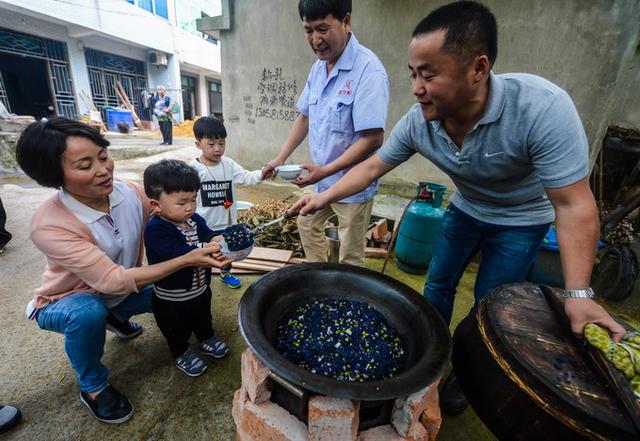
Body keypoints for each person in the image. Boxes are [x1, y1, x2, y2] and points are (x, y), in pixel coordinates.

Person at [290, 1, 626, 414]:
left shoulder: (542, 109)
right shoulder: (421, 121)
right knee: (437, 287)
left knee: (490, 305)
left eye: (429, 75)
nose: (416, 88)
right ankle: (430, 359)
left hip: (521, 220)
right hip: (466, 209)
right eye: (414, 73)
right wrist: (322, 196)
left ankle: (467, 374)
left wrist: (577, 293)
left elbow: (574, 205)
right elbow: (375, 164)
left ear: (478, 69)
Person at [15, 117, 231, 424]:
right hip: (67, 300)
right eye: (85, 165)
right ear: (55, 175)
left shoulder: (129, 194)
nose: (103, 170)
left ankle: (116, 317)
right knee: (87, 312)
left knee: (177, 291)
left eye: (103, 156)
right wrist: (189, 258)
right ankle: (93, 386)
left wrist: (216, 240)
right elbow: (112, 279)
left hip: (119, 291)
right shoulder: (49, 223)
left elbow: (169, 210)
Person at [262, 0, 389, 266]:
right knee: (307, 224)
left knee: (351, 256)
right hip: (322, 182)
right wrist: (280, 158)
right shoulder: (318, 68)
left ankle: (345, 298)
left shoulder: (368, 70)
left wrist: (327, 169)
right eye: (308, 30)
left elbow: (373, 138)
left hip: (353, 186)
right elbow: (304, 116)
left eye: (323, 28)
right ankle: (320, 278)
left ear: (346, 21)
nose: (315, 39)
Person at [143, 159, 231, 377]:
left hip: (200, 289)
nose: (190, 207)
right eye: (182, 203)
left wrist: (218, 238)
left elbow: (208, 234)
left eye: (193, 199)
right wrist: (207, 247)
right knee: (175, 329)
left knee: (203, 317)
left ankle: (206, 338)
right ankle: (181, 351)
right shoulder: (156, 230)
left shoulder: (194, 219)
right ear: (156, 205)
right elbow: (178, 253)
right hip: (171, 298)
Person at [189, 116, 262, 289]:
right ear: (198, 144)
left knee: (227, 252)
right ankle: (201, 279)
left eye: (221, 143)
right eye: (211, 144)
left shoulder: (228, 165)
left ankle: (226, 273)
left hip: (227, 222)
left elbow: (246, 176)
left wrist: (262, 173)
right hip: (204, 224)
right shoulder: (192, 170)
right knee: (204, 253)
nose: (217, 149)